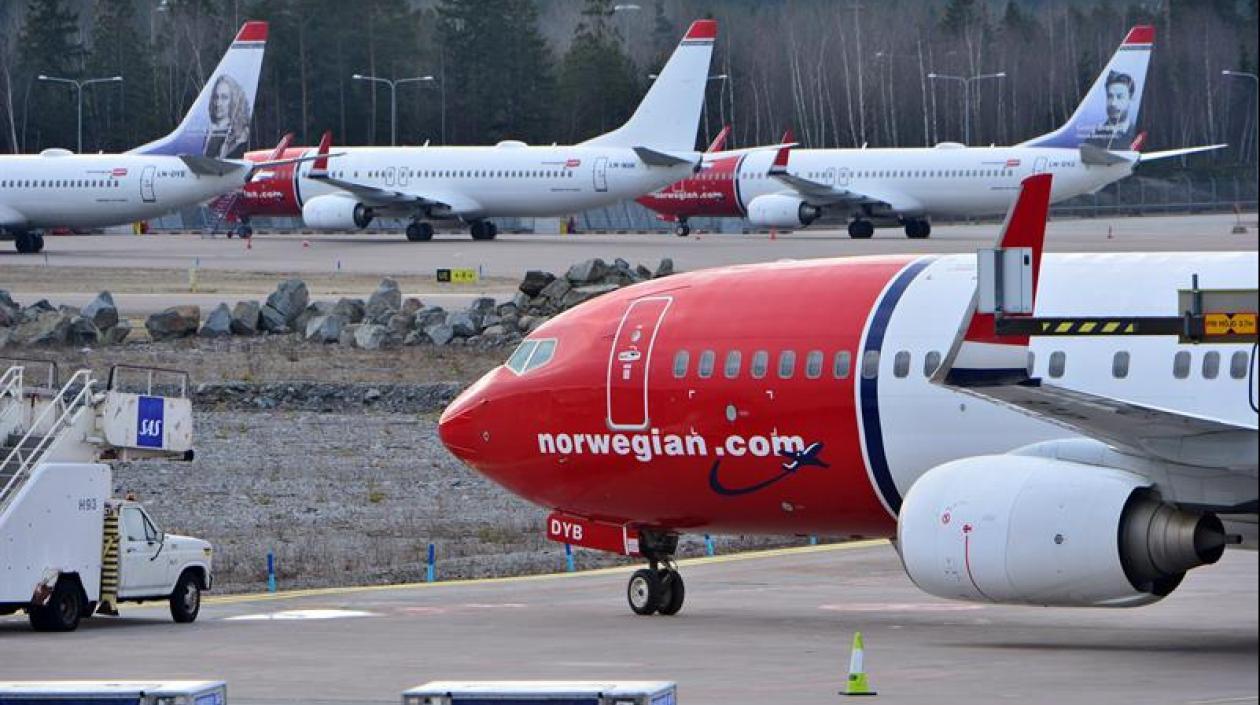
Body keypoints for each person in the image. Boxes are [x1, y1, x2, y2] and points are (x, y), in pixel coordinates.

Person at [203, 75, 251, 158]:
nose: (218, 103)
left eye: (224, 98)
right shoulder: (210, 132)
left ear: (233, 100)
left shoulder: (239, 134)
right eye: (216, 97)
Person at [1102, 70, 1135, 135]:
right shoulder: (1091, 138)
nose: (1113, 103)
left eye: (1120, 97)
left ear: (1130, 99)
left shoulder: (1138, 134)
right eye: (1110, 96)